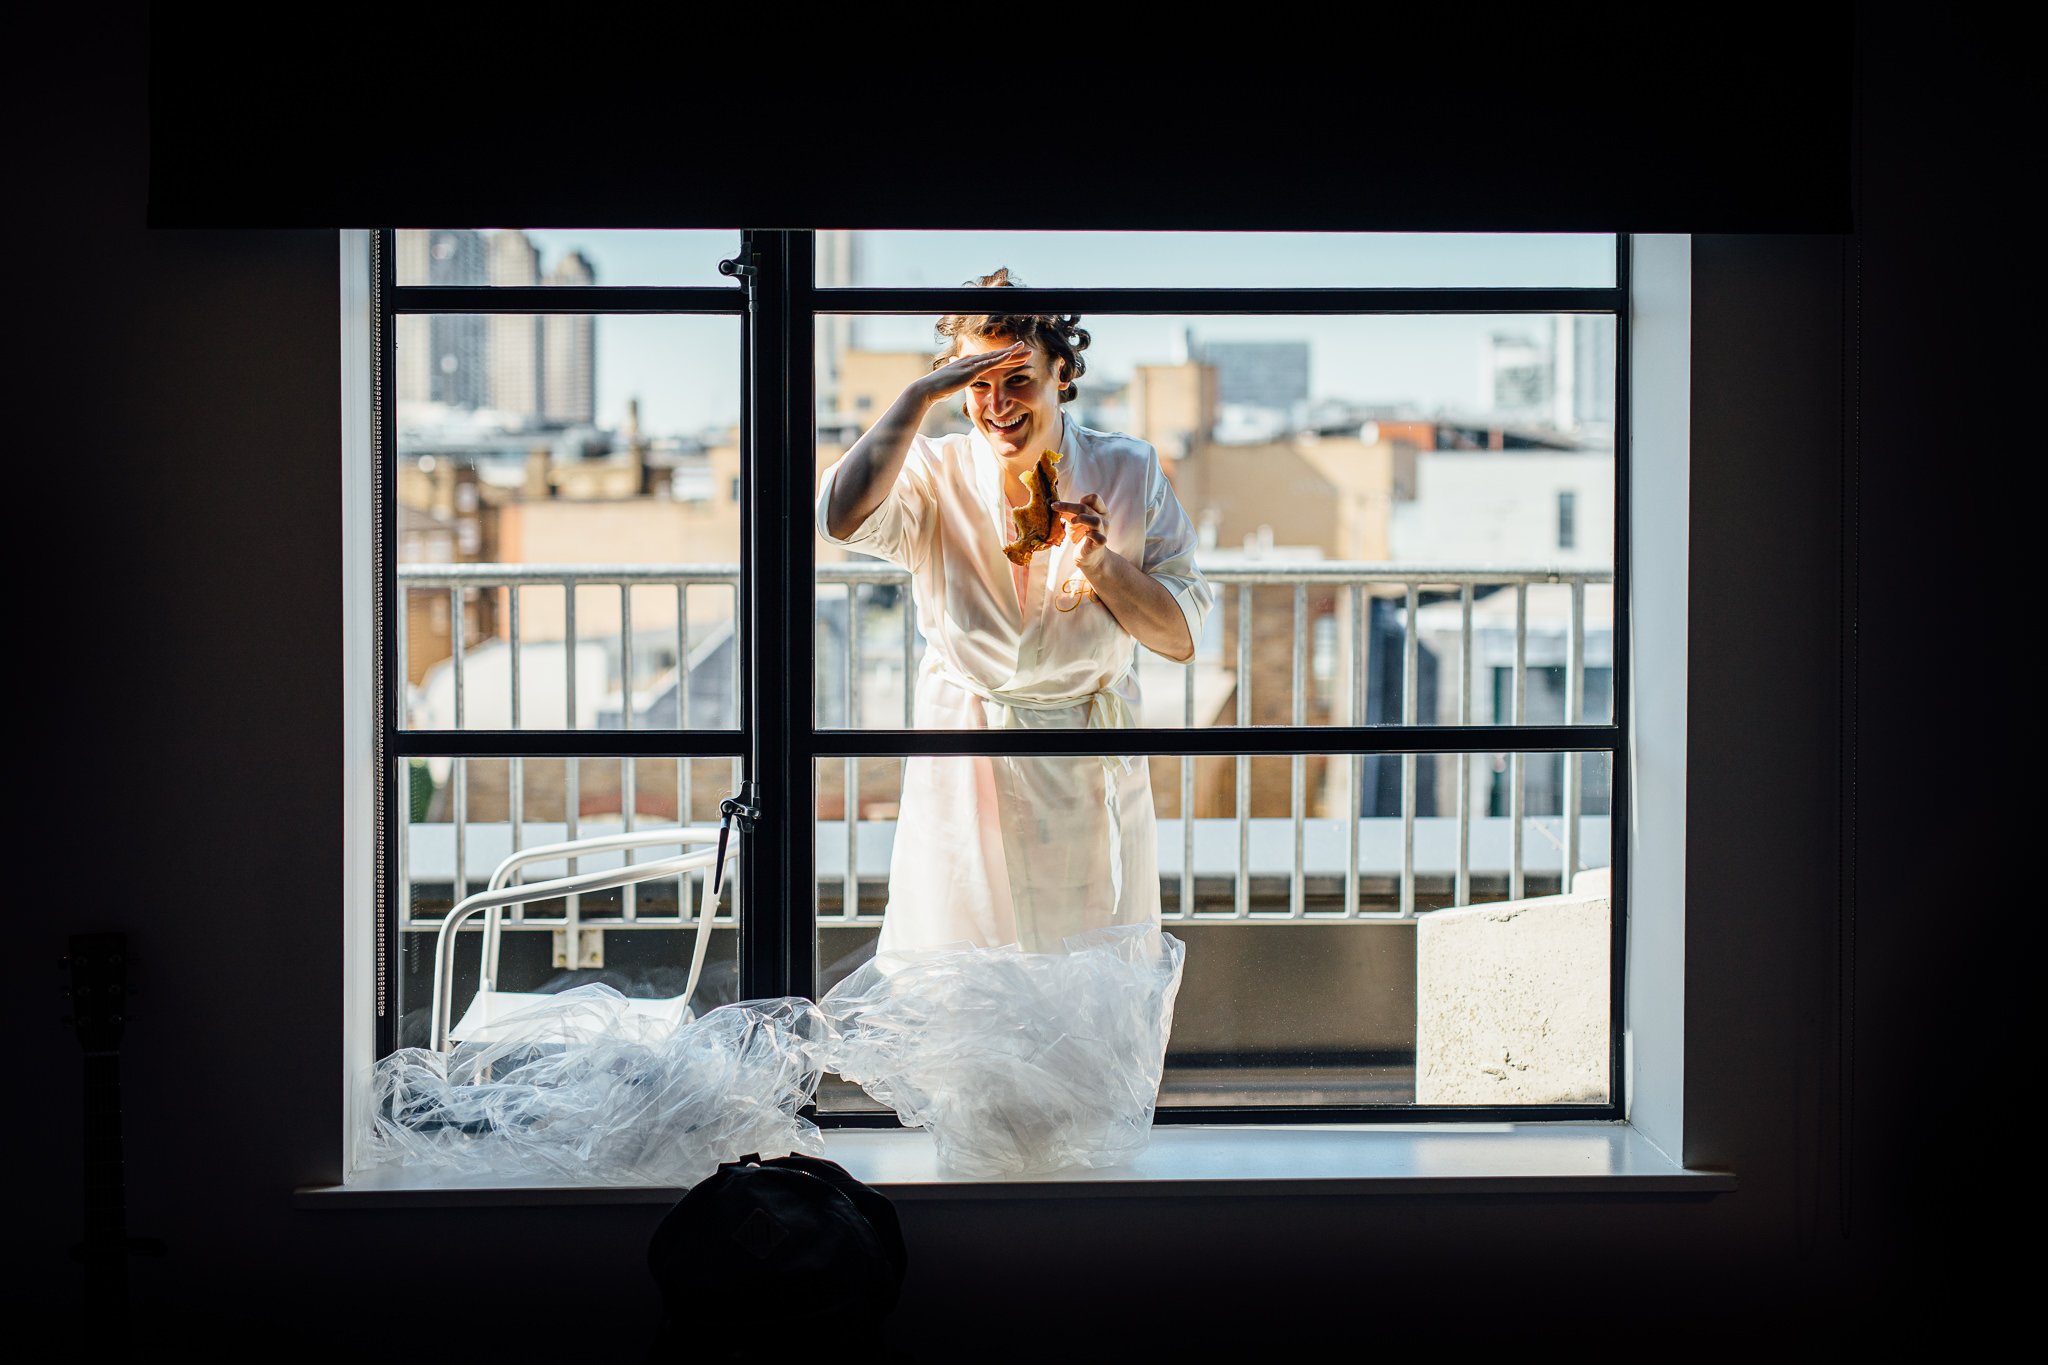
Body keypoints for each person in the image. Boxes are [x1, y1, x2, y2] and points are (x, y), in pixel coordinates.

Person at [817, 270, 1214, 955]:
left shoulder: (1130, 472)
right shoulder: (931, 473)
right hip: (964, 746)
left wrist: (1098, 561)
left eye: (1018, 378)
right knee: (961, 964)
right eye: (977, 383)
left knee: (1083, 964)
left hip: (1083, 756)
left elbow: (1179, 636)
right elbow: (838, 516)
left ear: (1061, 373)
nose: (997, 403)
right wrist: (915, 398)